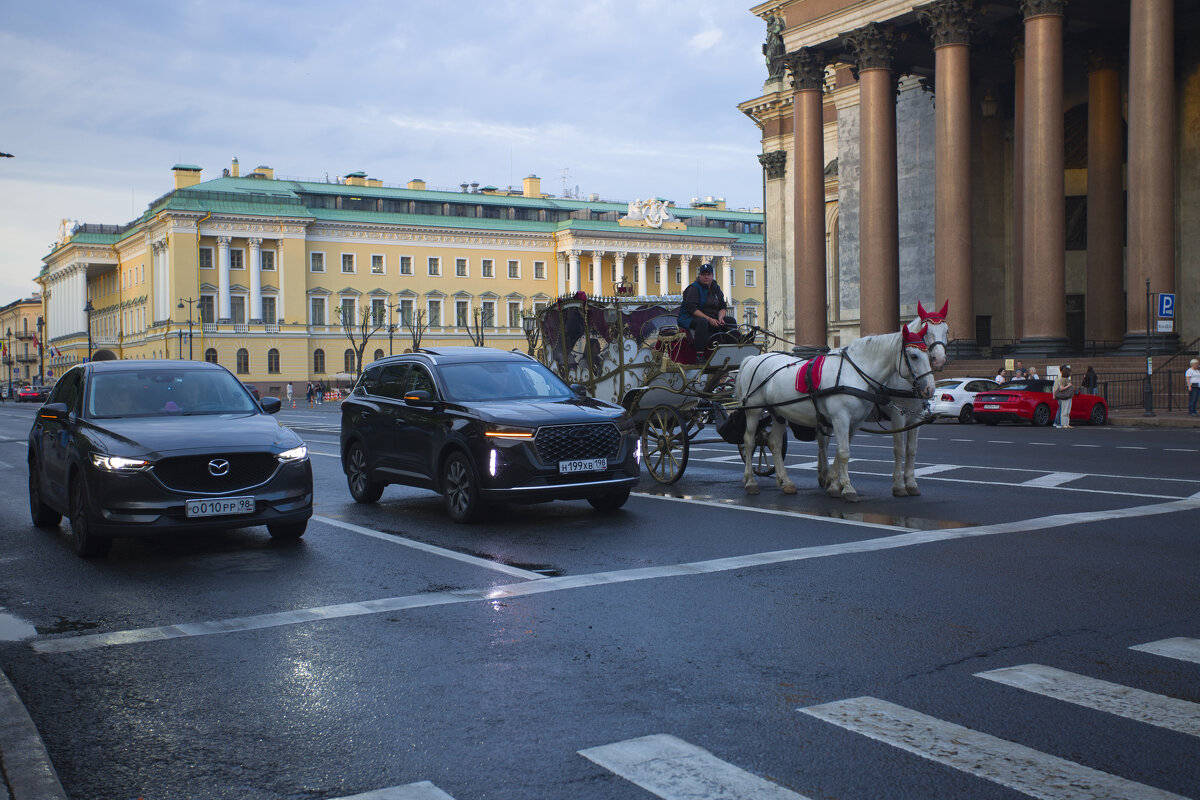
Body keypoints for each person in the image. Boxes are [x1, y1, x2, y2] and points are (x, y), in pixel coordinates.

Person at [678, 263, 734, 353]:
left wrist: (720, 317)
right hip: (691, 318)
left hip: (713, 317)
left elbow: (723, 306)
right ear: (699, 276)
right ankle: (700, 353)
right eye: (703, 275)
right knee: (702, 322)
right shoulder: (693, 288)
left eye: (708, 275)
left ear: (712, 276)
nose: (706, 277)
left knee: (730, 321)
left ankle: (733, 348)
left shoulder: (716, 288)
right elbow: (692, 309)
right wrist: (709, 319)